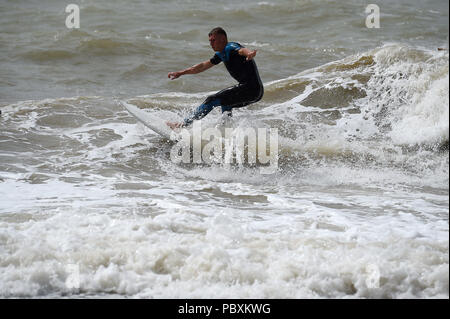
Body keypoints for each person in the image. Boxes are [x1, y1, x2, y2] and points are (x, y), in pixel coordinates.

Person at [166, 27, 263, 129]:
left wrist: (249, 54)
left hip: (251, 89)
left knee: (212, 100)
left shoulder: (230, 47)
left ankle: (182, 126)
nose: (211, 44)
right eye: (210, 41)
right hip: (255, 91)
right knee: (226, 104)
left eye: (213, 40)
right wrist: (180, 73)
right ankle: (227, 133)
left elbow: (241, 50)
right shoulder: (221, 54)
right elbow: (202, 66)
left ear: (222, 39)